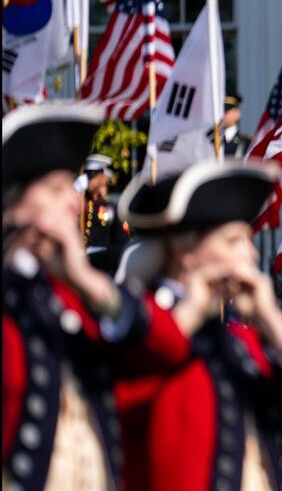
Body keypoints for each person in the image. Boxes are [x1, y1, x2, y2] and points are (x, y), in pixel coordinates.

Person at [114, 160, 282, 491]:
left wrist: (272, 323)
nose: (251, 255)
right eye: (233, 241)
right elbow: (117, 400)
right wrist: (189, 314)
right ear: (187, 252)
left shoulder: (242, 340)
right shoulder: (136, 324)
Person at [3, 104, 188, 491]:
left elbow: (169, 349)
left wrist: (89, 282)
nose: (73, 201)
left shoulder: (73, 301)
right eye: (55, 190)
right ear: (14, 203)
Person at [78, 154, 130, 276]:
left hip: (105, 265)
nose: (89, 179)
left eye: (93, 175)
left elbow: (122, 241)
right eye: (87, 175)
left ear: (102, 177)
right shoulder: (79, 204)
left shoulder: (111, 208)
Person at [207, 92, 252, 159]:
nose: (224, 113)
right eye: (221, 109)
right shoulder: (209, 138)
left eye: (228, 109)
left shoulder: (246, 143)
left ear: (237, 113)